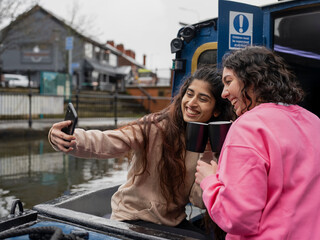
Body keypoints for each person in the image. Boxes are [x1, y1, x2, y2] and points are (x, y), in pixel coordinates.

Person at [48, 66, 235, 239]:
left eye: (203, 99)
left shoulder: (211, 144)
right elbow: (109, 141)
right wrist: (69, 138)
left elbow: (198, 201)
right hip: (132, 218)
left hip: (172, 221)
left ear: (216, 110)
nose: (192, 103)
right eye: (189, 94)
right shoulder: (155, 126)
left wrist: (209, 154)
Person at [195, 46, 320, 239]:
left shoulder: (248, 127)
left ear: (252, 80)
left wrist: (209, 181)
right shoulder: (314, 121)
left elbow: (237, 217)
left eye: (229, 82)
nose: (224, 93)